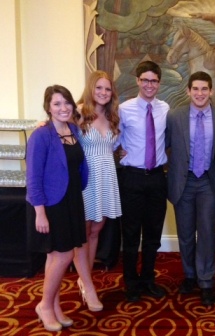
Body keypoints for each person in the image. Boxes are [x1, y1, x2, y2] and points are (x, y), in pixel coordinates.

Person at [26, 85, 102, 332]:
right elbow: (33, 177)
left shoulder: (73, 130)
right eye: (56, 104)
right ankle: (45, 305)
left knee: (55, 257)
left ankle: (55, 306)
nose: (63, 108)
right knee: (63, 255)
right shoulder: (41, 135)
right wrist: (39, 212)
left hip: (72, 200)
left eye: (66, 103)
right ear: (48, 107)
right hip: (51, 203)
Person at [165, 71, 215, 306]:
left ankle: (206, 281)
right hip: (184, 181)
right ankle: (190, 275)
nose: (200, 93)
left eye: (205, 89)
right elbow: (160, 145)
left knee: (206, 232)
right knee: (185, 233)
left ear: (211, 91)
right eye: (196, 89)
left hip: (208, 183)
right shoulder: (174, 117)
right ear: (188, 91)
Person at [117, 61, 169, 302]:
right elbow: (110, 136)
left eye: (154, 81)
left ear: (159, 83)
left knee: (153, 235)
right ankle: (131, 282)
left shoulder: (166, 109)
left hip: (158, 178)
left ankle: (148, 279)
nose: (150, 85)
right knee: (130, 235)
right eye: (145, 80)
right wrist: (117, 151)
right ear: (137, 81)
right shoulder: (123, 109)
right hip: (132, 179)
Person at [76, 70, 122, 272]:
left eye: (108, 89)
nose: (104, 92)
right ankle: (84, 279)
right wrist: (44, 124)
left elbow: (112, 145)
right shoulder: (79, 112)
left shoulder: (112, 116)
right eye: (99, 87)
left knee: (97, 230)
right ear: (91, 88)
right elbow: (57, 129)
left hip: (106, 176)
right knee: (84, 231)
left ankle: (85, 278)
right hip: (86, 178)